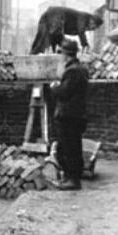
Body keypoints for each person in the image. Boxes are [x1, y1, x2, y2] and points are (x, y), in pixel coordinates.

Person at [50, 39, 90, 190]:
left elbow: (64, 92)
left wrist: (54, 87)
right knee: (74, 147)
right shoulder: (81, 68)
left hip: (68, 115)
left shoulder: (72, 70)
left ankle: (72, 180)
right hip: (77, 114)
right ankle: (73, 177)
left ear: (66, 55)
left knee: (68, 148)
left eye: (61, 53)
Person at [30, 6, 103, 54]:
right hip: (56, 16)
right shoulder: (83, 17)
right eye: (94, 27)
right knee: (49, 37)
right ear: (92, 21)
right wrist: (85, 45)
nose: (92, 29)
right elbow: (81, 32)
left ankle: (34, 53)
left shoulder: (84, 19)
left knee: (44, 36)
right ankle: (36, 53)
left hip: (52, 15)